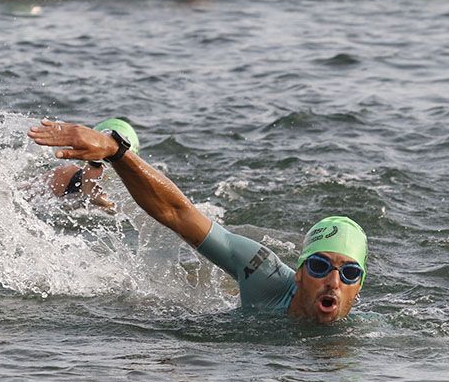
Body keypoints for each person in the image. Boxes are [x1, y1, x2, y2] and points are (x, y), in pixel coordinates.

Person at [27, 119, 368, 322]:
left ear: (359, 287)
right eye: (321, 267)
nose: (333, 282)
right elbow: (178, 213)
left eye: (349, 273)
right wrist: (114, 153)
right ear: (300, 272)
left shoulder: (373, 337)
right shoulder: (262, 272)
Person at [46, 119, 140, 211]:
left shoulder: (139, 201)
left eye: (112, 167)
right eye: (96, 163)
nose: (103, 175)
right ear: (85, 161)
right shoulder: (62, 178)